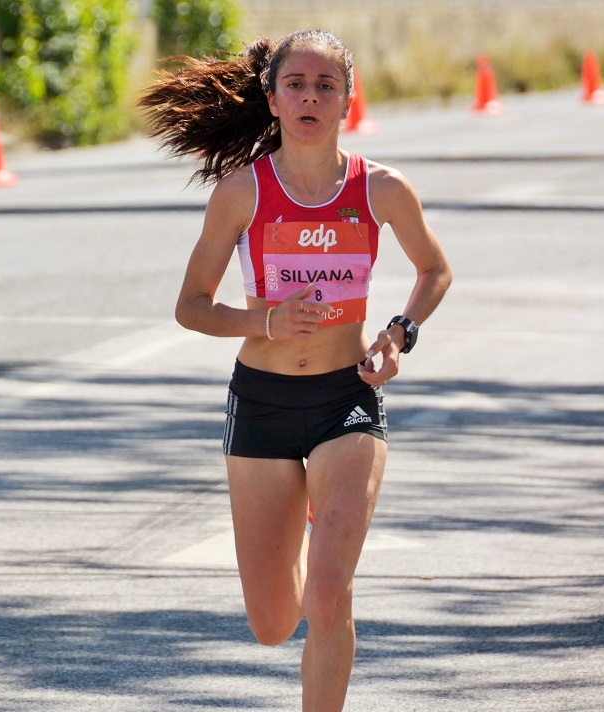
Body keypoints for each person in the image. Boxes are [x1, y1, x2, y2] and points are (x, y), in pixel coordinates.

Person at [140, 29, 451, 711]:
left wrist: (398, 335)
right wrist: (264, 321)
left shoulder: (383, 189)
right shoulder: (242, 192)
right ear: (273, 100)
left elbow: (434, 269)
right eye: (296, 85)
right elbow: (191, 306)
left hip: (347, 399)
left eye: (326, 86)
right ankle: (309, 551)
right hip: (263, 402)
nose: (311, 96)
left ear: (348, 99)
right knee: (273, 621)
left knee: (330, 594)